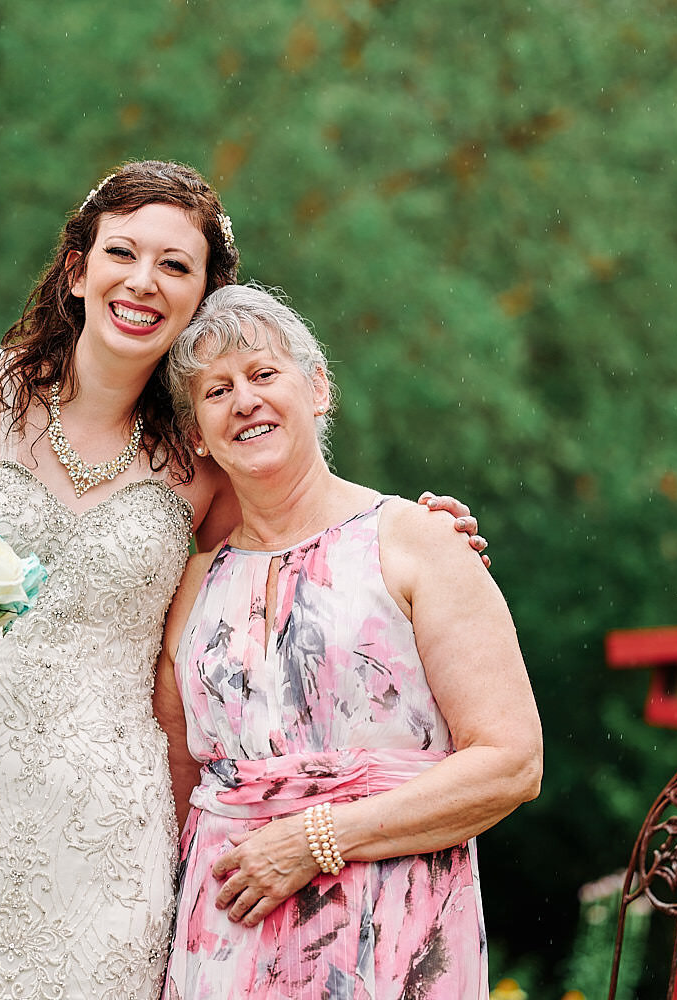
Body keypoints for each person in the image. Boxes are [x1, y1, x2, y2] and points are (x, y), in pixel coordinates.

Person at [0, 161, 486, 999]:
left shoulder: (202, 460)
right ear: (78, 269)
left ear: (203, 294)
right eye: (123, 254)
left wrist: (421, 530)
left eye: (175, 265)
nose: (143, 281)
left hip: (107, 830)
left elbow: (299, 546)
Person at [155, 283, 542, 998]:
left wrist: (316, 840)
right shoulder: (191, 589)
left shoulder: (418, 543)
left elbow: (512, 764)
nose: (245, 400)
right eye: (217, 391)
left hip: (391, 928)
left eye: (264, 374)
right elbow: (175, 789)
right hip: (226, 944)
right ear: (196, 435)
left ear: (319, 388)